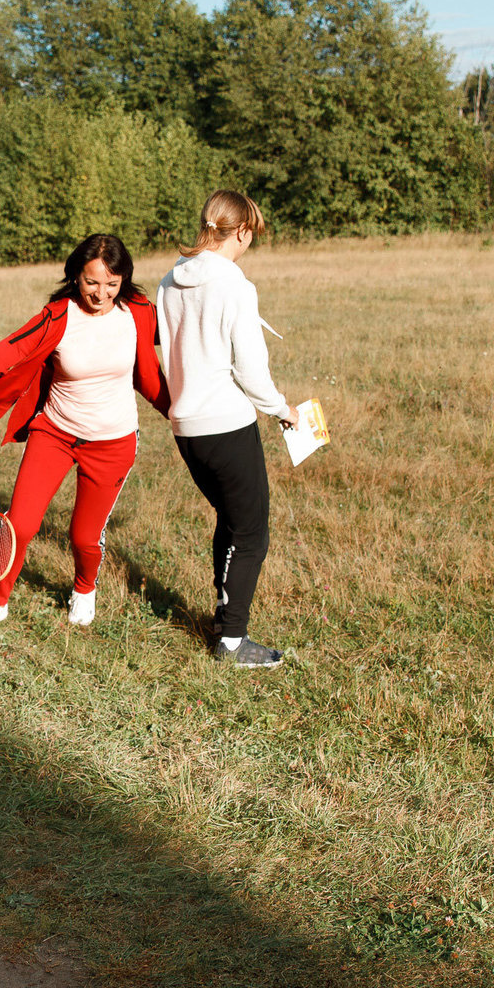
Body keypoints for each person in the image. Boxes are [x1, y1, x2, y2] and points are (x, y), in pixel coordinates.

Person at [0, 233, 169, 639]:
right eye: (92, 282)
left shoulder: (138, 312)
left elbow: (181, 338)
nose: (101, 293)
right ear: (75, 277)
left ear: (124, 279)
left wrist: (182, 415)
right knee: (19, 523)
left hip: (113, 442)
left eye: (112, 283)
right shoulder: (58, 317)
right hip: (54, 433)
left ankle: (84, 589)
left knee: (85, 536)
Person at [154, 191, 295, 669]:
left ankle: (223, 619)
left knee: (230, 521)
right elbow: (250, 370)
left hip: (186, 428)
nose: (249, 244)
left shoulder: (169, 280)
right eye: (250, 234)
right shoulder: (235, 284)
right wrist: (282, 409)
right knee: (252, 531)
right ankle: (233, 640)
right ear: (240, 231)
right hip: (227, 424)